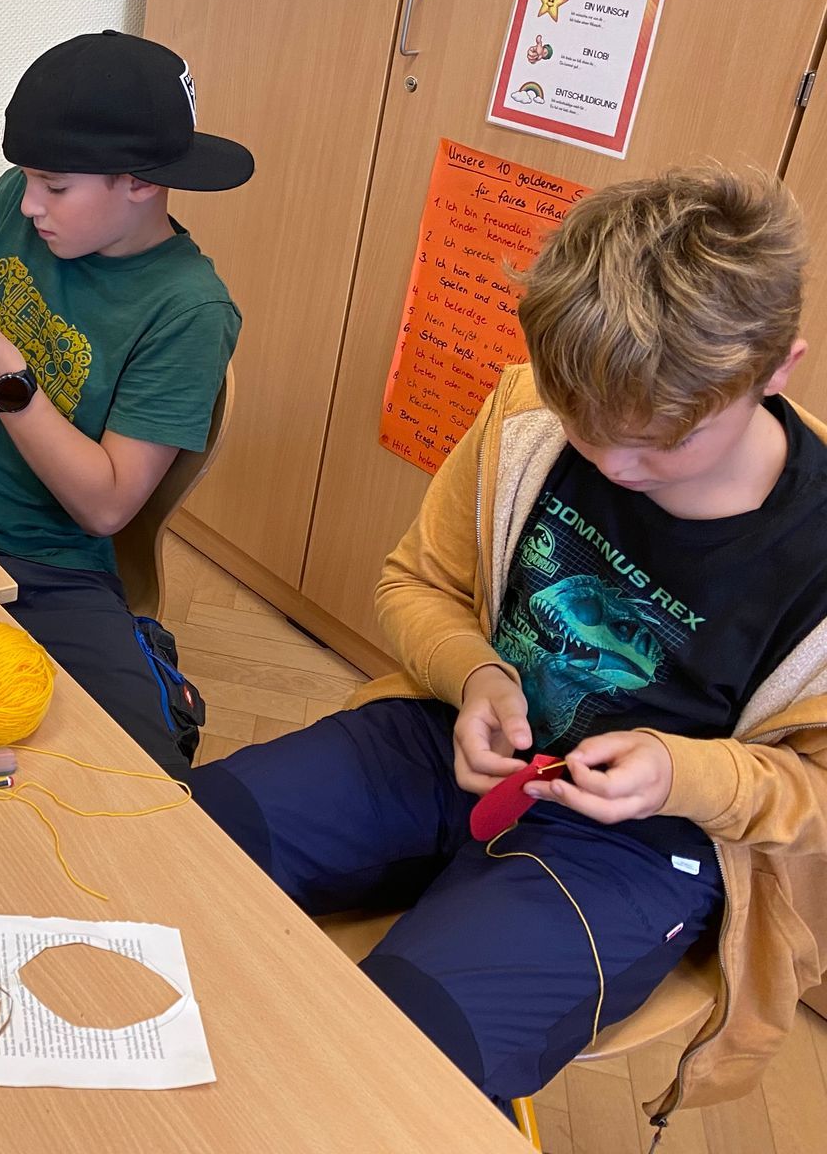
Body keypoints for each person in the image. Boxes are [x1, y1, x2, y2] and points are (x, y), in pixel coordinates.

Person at [187, 168, 827, 1121]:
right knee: (191, 838)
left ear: (777, 370)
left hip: (644, 842)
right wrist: (476, 672)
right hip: (451, 739)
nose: (613, 464)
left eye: (659, 443)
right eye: (585, 426)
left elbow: (814, 794)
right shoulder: (531, 415)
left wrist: (679, 772)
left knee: (404, 1057)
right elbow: (415, 584)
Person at [0, 31, 249, 777]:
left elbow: (107, 506)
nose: (30, 203)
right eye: (27, 179)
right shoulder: (27, 206)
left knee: (138, 773)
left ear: (138, 182)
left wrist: (1, 372)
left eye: (54, 187)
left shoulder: (187, 310)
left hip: (41, 562)